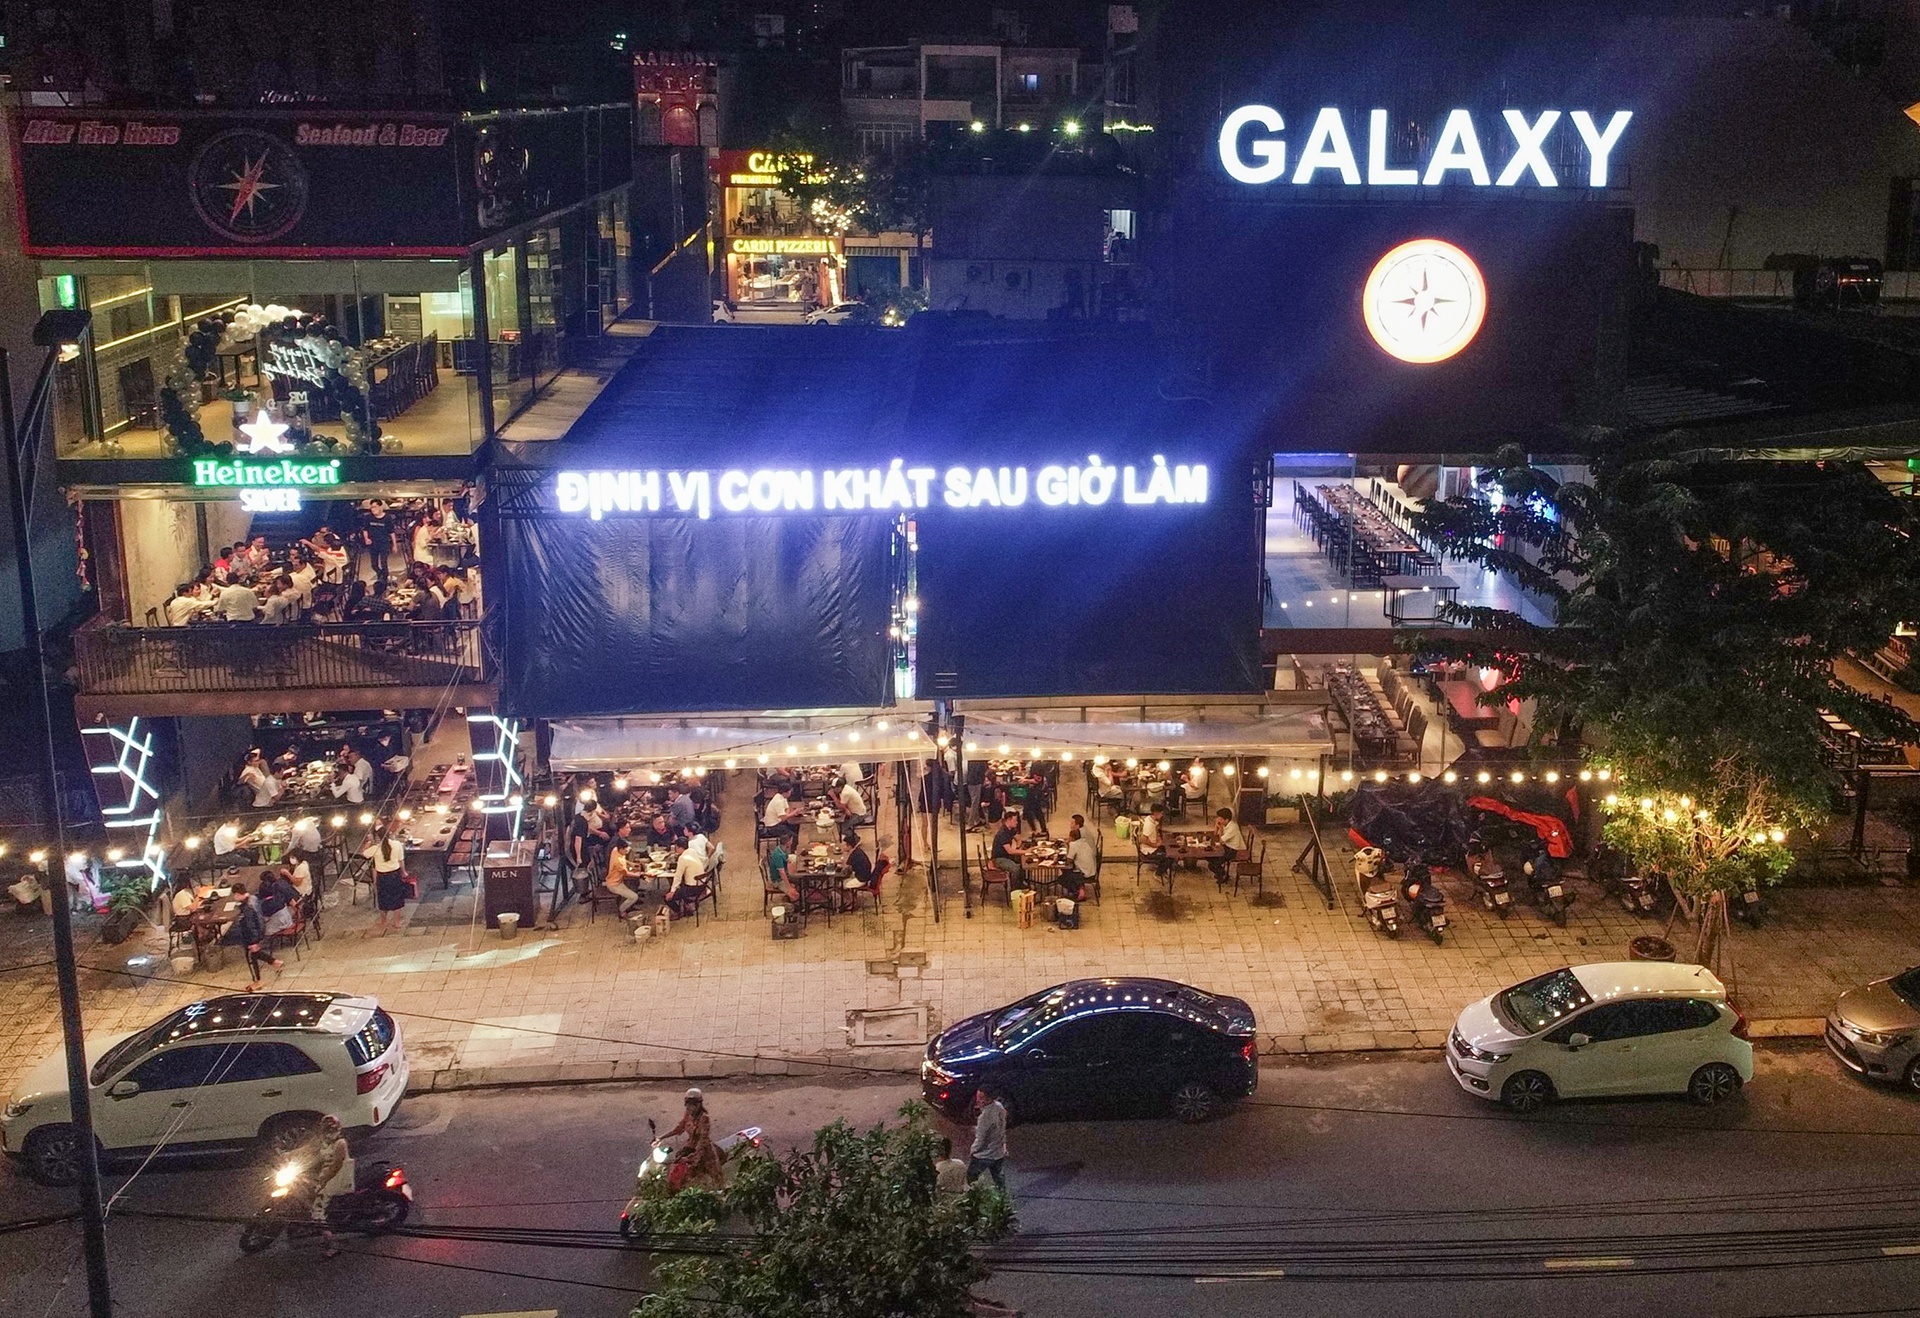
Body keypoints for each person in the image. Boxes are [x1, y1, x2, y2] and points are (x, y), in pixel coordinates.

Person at [300, 1114, 351, 1260]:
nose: (330, 1131)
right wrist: (287, 1155)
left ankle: (332, 1246)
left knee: (317, 1211)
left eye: (332, 1128)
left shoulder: (340, 1143)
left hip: (337, 1177)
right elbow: (308, 1151)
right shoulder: (325, 1142)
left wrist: (322, 1180)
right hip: (326, 1175)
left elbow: (336, 1166)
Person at [220, 879, 283, 991]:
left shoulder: (248, 908)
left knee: (252, 955)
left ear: (238, 894)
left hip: (251, 935)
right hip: (257, 931)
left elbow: (251, 925)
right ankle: (274, 962)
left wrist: (254, 941)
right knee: (255, 955)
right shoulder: (253, 898)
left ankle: (258, 980)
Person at [662, 1087, 725, 1190]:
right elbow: (679, 1128)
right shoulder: (688, 1114)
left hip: (704, 1151)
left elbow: (703, 1140)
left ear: (699, 1104)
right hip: (690, 1147)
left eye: (694, 1104)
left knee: (717, 1180)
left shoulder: (704, 1118)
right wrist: (661, 1138)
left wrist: (692, 1157)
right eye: (689, 1104)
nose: (691, 1107)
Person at [363, 826, 408, 935]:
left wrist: (368, 842)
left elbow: (364, 853)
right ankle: (396, 922)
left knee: (383, 898)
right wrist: (404, 872)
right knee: (397, 897)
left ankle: (384, 921)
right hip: (395, 875)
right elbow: (401, 860)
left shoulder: (376, 848)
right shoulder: (397, 845)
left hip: (382, 876)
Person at [968, 1087, 1009, 1192]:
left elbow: (981, 1139)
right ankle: (1003, 1201)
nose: (977, 1100)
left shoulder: (985, 1116)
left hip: (984, 1155)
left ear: (988, 1099)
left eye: (981, 1097)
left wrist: (973, 1150)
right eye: (977, 1096)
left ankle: (974, 1199)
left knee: (971, 1178)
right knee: (999, 1178)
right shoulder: (999, 1107)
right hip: (998, 1152)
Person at [666, 832, 712, 916]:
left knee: (667, 898)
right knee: (680, 886)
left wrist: (671, 892)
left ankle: (678, 912)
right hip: (702, 884)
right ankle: (687, 907)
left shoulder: (682, 858)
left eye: (676, 847)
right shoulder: (692, 851)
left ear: (680, 848)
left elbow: (678, 876)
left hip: (692, 889)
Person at [1210, 807, 1247, 887]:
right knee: (1210, 857)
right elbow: (1215, 834)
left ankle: (1223, 876)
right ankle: (1221, 872)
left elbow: (1220, 840)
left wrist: (1220, 828)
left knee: (1213, 863)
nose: (1218, 820)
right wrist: (1216, 827)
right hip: (1226, 846)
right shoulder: (1226, 824)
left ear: (1226, 820)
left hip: (1232, 850)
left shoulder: (1233, 827)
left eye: (1220, 819)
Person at [990, 812, 1027, 889]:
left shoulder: (1011, 829)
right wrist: (1025, 851)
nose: (1017, 823)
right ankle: (1014, 888)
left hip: (1006, 855)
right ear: (1008, 820)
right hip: (999, 859)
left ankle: (1022, 883)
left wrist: (1018, 846)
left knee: (1023, 863)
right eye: (1015, 820)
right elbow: (1009, 851)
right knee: (1015, 868)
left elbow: (1018, 839)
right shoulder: (1003, 833)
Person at [1064, 823, 1100, 902]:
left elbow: (1068, 861)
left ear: (1071, 837)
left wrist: (1067, 845)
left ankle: (1078, 892)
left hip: (1084, 873)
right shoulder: (1084, 842)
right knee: (1067, 872)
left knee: (1063, 877)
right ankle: (1079, 888)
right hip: (1092, 871)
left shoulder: (1074, 845)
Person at [259, 867, 298, 938]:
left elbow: (266, 918)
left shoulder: (266, 905)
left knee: (262, 929)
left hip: (282, 923)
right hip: (288, 919)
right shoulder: (278, 896)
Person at [1138, 803, 1170, 880]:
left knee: (1167, 848)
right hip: (1149, 851)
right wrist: (1154, 845)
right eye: (1161, 813)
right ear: (1156, 813)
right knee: (1169, 857)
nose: (1162, 815)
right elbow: (1143, 839)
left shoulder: (1151, 819)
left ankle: (1163, 870)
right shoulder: (1149, 825)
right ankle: (1158, 873)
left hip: (1153, 847)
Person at [766, 836, 799, 904]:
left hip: (784, 875)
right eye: (791, 840)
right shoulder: (778, 855)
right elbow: (782, 873)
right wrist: (789, 887)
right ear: (788, 842)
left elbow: (787, 861)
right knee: (795, 895)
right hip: (778, 880)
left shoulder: (782, 849)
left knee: (800, 880)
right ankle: (790, 907)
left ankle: (790, 898)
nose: (792, 842)